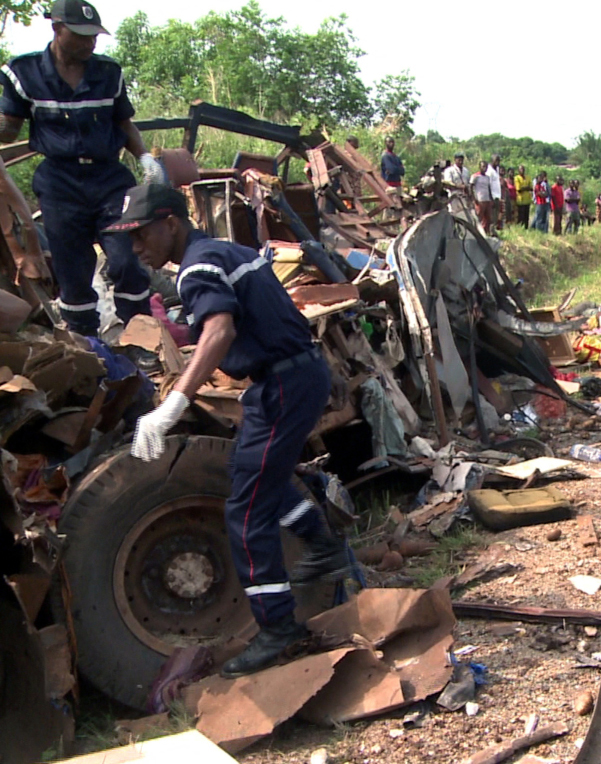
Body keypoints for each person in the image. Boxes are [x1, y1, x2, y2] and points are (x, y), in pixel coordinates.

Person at [109, 184, 350, 678]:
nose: (136, 246)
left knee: (245, 513)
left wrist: (173, 404)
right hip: (287, 377)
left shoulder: (198, 268)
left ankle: (279, 629)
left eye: (140, 233)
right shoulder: (224, 250)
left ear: (170, 222)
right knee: (253, 470)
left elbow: (220, 330)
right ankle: (322, 545)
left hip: (283, 382)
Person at [0, 0, 164, 336]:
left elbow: (124, 124)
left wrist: (145, 158)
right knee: (72, 270)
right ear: (57, 29)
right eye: (81, 36)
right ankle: (86, 345)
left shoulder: (107, 73)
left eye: (94, 37)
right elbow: (10, 128)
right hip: (60, 182)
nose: (90, 43)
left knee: (127, 260)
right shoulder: (25, 73)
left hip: (109, 179)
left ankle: (142, 339)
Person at [471, 160, 493, 233]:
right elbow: (471, 187)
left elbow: (489, 188)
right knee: (479, 217)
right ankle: (476, 232)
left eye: (486, 167)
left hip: (487, 199)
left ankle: (486, 232)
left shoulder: (488, 177)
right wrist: (474, 198)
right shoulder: (475, 176)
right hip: (480, 200)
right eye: (483, 166)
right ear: (480, 167)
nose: (485, 168)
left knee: (488, 218)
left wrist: (491, 198)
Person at [487, 154, 503, 232]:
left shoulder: (496, 170)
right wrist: (491, 198)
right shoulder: (489, 171)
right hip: (492, 197)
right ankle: (490, 232)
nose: (498, 162)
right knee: (492, 216)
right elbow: (488, 185)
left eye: (499, 160)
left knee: (496, 215)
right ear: (492, 160)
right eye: (496, 160)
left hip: (497, 196)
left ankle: (493, 231)